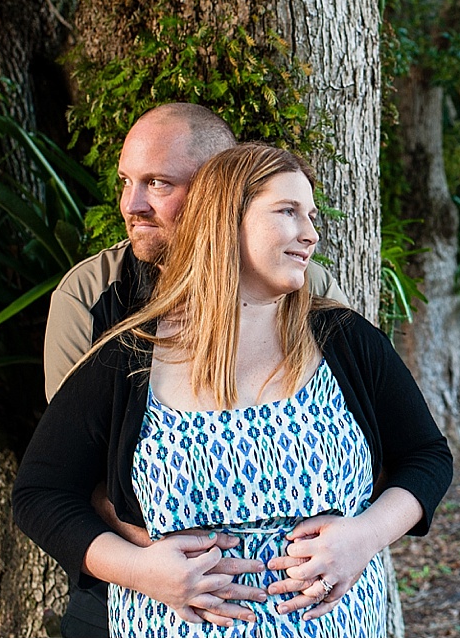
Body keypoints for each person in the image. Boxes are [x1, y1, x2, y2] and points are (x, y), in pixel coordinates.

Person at [15, 143, 453, 637]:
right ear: (226, 220)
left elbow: (428, 456)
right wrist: (141, 570)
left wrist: (365, 538)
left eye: (310, 215)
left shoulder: (345, 340)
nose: (309, 235)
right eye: (287, 212)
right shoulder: (129, 357)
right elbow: (41, 493)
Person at [42, 103, 347, 636]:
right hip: (129, 593)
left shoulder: (305, 291)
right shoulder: (94, 296)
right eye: (126, 182)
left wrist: (346, 540)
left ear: (217, 191)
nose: (131, 205)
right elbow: (70, 470)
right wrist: (160, 564)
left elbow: (380, 441)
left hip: (304, 602)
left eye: (158, 183)